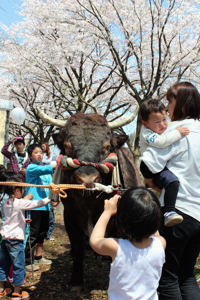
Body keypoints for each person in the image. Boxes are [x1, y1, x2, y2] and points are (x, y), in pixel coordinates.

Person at [141, 82, 200, 300]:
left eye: (170, 101)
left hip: (178, 212)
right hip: (199, 216)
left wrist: (152, 183)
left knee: (168, 277)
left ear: (181, 102)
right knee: (187, 274)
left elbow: (148, 165)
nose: (167, 106)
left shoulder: (176, 131)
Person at [90, 187, 166, 300]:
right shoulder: (161, 243)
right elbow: (155, 231)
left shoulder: (117, 247)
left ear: (121, 219)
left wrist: (107, 212)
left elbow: (95, 240)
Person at [139, 99, 190, 226]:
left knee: (167, 185)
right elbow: (162, 143)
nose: (163, 125)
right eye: (157, 122)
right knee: (172, 182)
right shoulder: (147, 133)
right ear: (145, 124)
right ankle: (169, 212)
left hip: (157, 166)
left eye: (164, 119)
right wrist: (177, 133)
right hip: (149, 166)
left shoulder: (159, 130)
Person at [0, 174, 51, 299]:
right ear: (16, 191)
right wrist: (51, 196)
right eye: (22, 190)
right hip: (16, 242)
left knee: (3, 265)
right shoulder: (20, 202)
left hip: (5, 240)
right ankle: (17, 292)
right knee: (19, 266)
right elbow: (38, 203)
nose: (23, 192)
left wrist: (22, 220)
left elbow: (11, 217)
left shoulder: (4, 202)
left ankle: (1, 289)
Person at [24, 144, 57, 272]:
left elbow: (52, 186)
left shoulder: (45, 172)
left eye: (41, 152)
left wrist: (55, 199)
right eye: (36, 152)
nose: (39, 154)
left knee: (42, 233)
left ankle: (38, 257)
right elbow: (51, 167)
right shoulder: (31, 168)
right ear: (30, 156)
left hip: (45, 207)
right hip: (34, 206)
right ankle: (27, 261)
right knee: (32, 234)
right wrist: (60, 161)